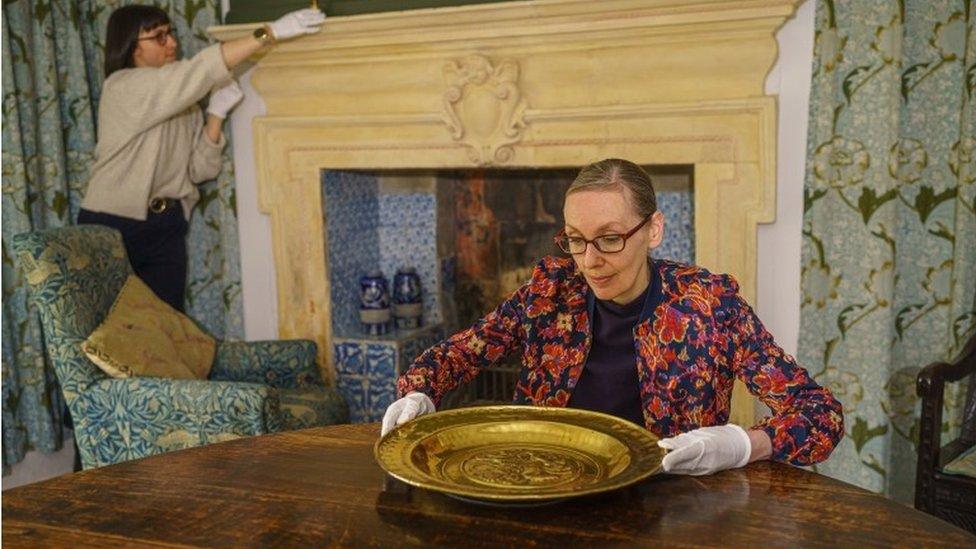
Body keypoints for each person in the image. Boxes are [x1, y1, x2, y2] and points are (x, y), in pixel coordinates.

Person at [382, 158, 843, 476]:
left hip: (669, 506)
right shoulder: (550, 290)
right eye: (576, 239)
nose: (588, 260)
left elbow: (819, 415)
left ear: (654, 230)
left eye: (609, 238)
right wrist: (419, 390)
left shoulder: (710, 305)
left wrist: (742, 445)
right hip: (544, 487)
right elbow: (460, 353)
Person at [77, 5, 325, 311]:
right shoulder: (122, 86)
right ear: (131, 46)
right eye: (159, 37)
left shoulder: (183, 103)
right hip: (112, 226)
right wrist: (267, 33)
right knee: (112, 335)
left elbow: (198, 170)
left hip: (165, 226)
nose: (172, 43)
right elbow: (195, 73)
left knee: (166, 330)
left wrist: (215, 115)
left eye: (171, 33)